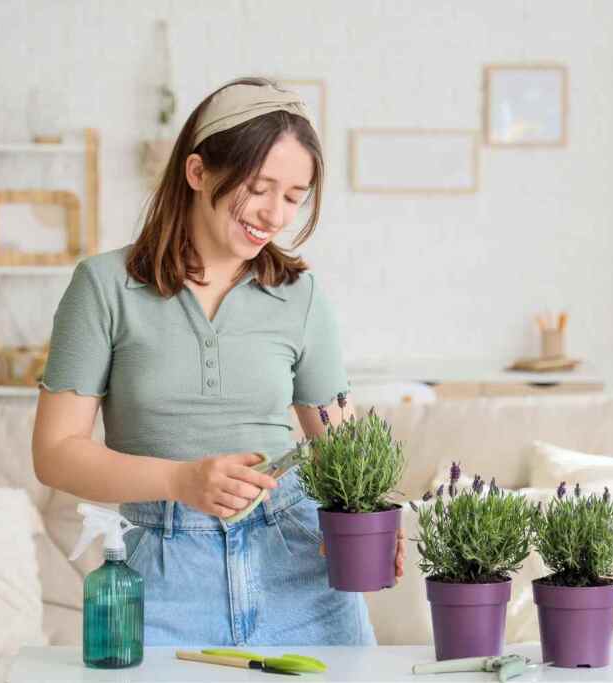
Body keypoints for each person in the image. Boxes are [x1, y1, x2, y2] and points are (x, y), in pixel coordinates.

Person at [31, 77, 404, 647]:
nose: (275, 214)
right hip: (162, 574)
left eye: (294, 196)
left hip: (297, 562)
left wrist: (369, 517)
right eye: (259, 187)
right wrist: (179, 480)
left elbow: (340, 443)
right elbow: (55, 454)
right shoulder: (104, 286)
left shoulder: (299, 295)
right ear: (198, 171)